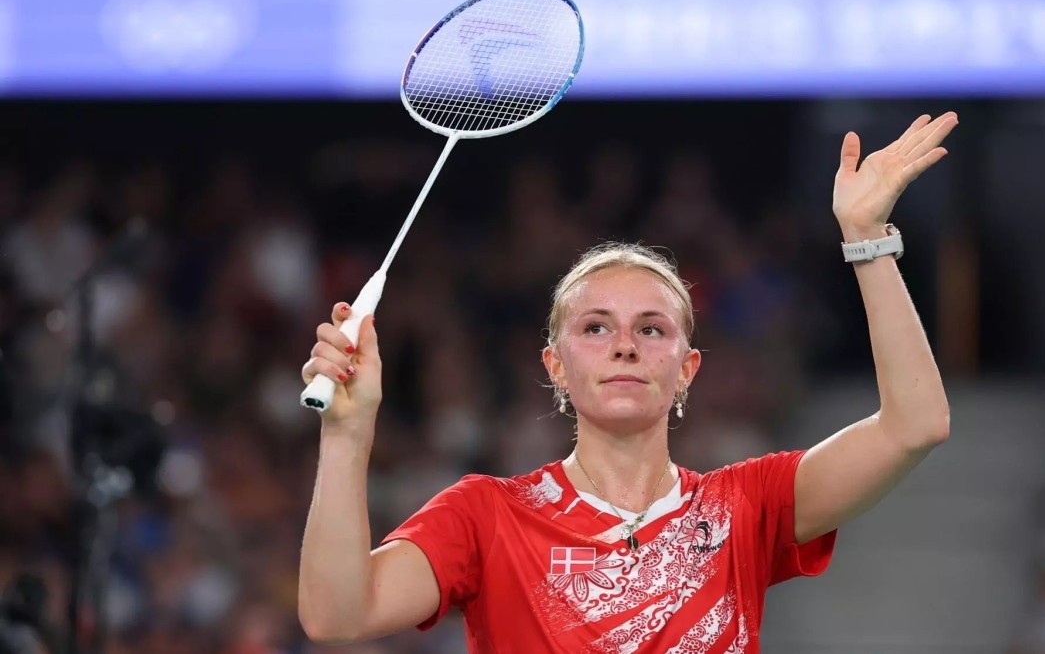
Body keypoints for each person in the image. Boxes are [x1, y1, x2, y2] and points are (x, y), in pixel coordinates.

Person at [297, 112, 958, 652]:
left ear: (686, 369)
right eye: (595, 327)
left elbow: (915, 424)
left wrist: (868, 240)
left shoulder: (745, 508)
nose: (624, 345)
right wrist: (346, 435)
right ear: (556, 366)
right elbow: (336, 616)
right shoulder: (485, 516)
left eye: (651, 328)